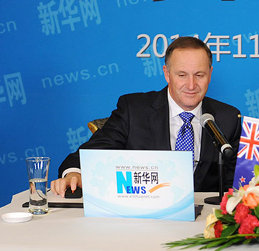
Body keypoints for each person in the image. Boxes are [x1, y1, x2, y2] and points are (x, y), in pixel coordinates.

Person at [51, 36, 241, 197]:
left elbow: (237, 184)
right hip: (144, 218)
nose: (191, 85)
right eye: (182, 75)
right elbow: (88, 154)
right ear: (167, 74)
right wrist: (74, 173)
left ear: (210, 74)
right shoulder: (134, 110)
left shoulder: (228, 118)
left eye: (199, 75)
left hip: (204, 221)